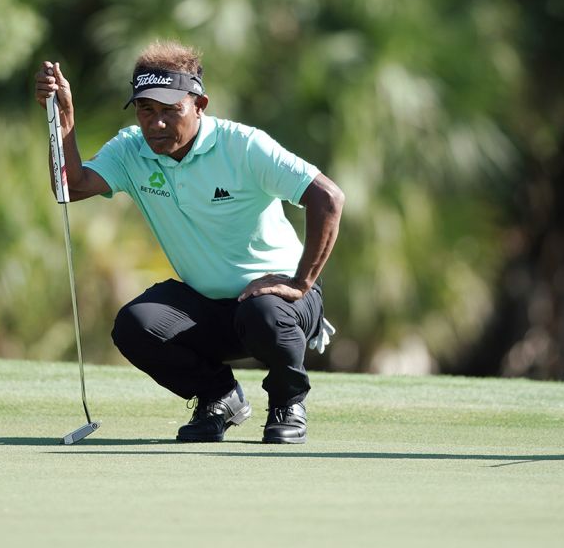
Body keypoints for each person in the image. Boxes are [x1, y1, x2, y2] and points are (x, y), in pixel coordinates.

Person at [34, 40, 344, 444]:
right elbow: (69, 187)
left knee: (264, 313)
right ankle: (219, 397)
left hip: (281, 301)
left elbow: (328, 197)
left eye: (170, 110)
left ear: (199, 104)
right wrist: (64, 118)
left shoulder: (243, 146)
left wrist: (301, 282)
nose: (156, 123)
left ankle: (288, 403)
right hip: (209, 305)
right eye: (146, 110)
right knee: (136, 325)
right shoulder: (131, 150)